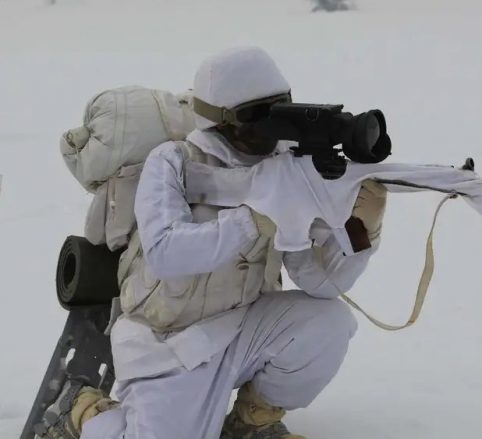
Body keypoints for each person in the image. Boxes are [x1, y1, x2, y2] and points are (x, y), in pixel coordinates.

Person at [41, 46, 387, 439]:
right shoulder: (172, 161)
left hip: (242, 327)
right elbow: (167, 253)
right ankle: (82, 411)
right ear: (220, 121)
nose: (270, 134)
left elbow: (321, 283)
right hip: (166, 342)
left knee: (329, 323)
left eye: (279, 113)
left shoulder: (284, 170)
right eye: (257, 119)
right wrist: (253, 220)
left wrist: (361, 231)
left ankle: (251, 422)